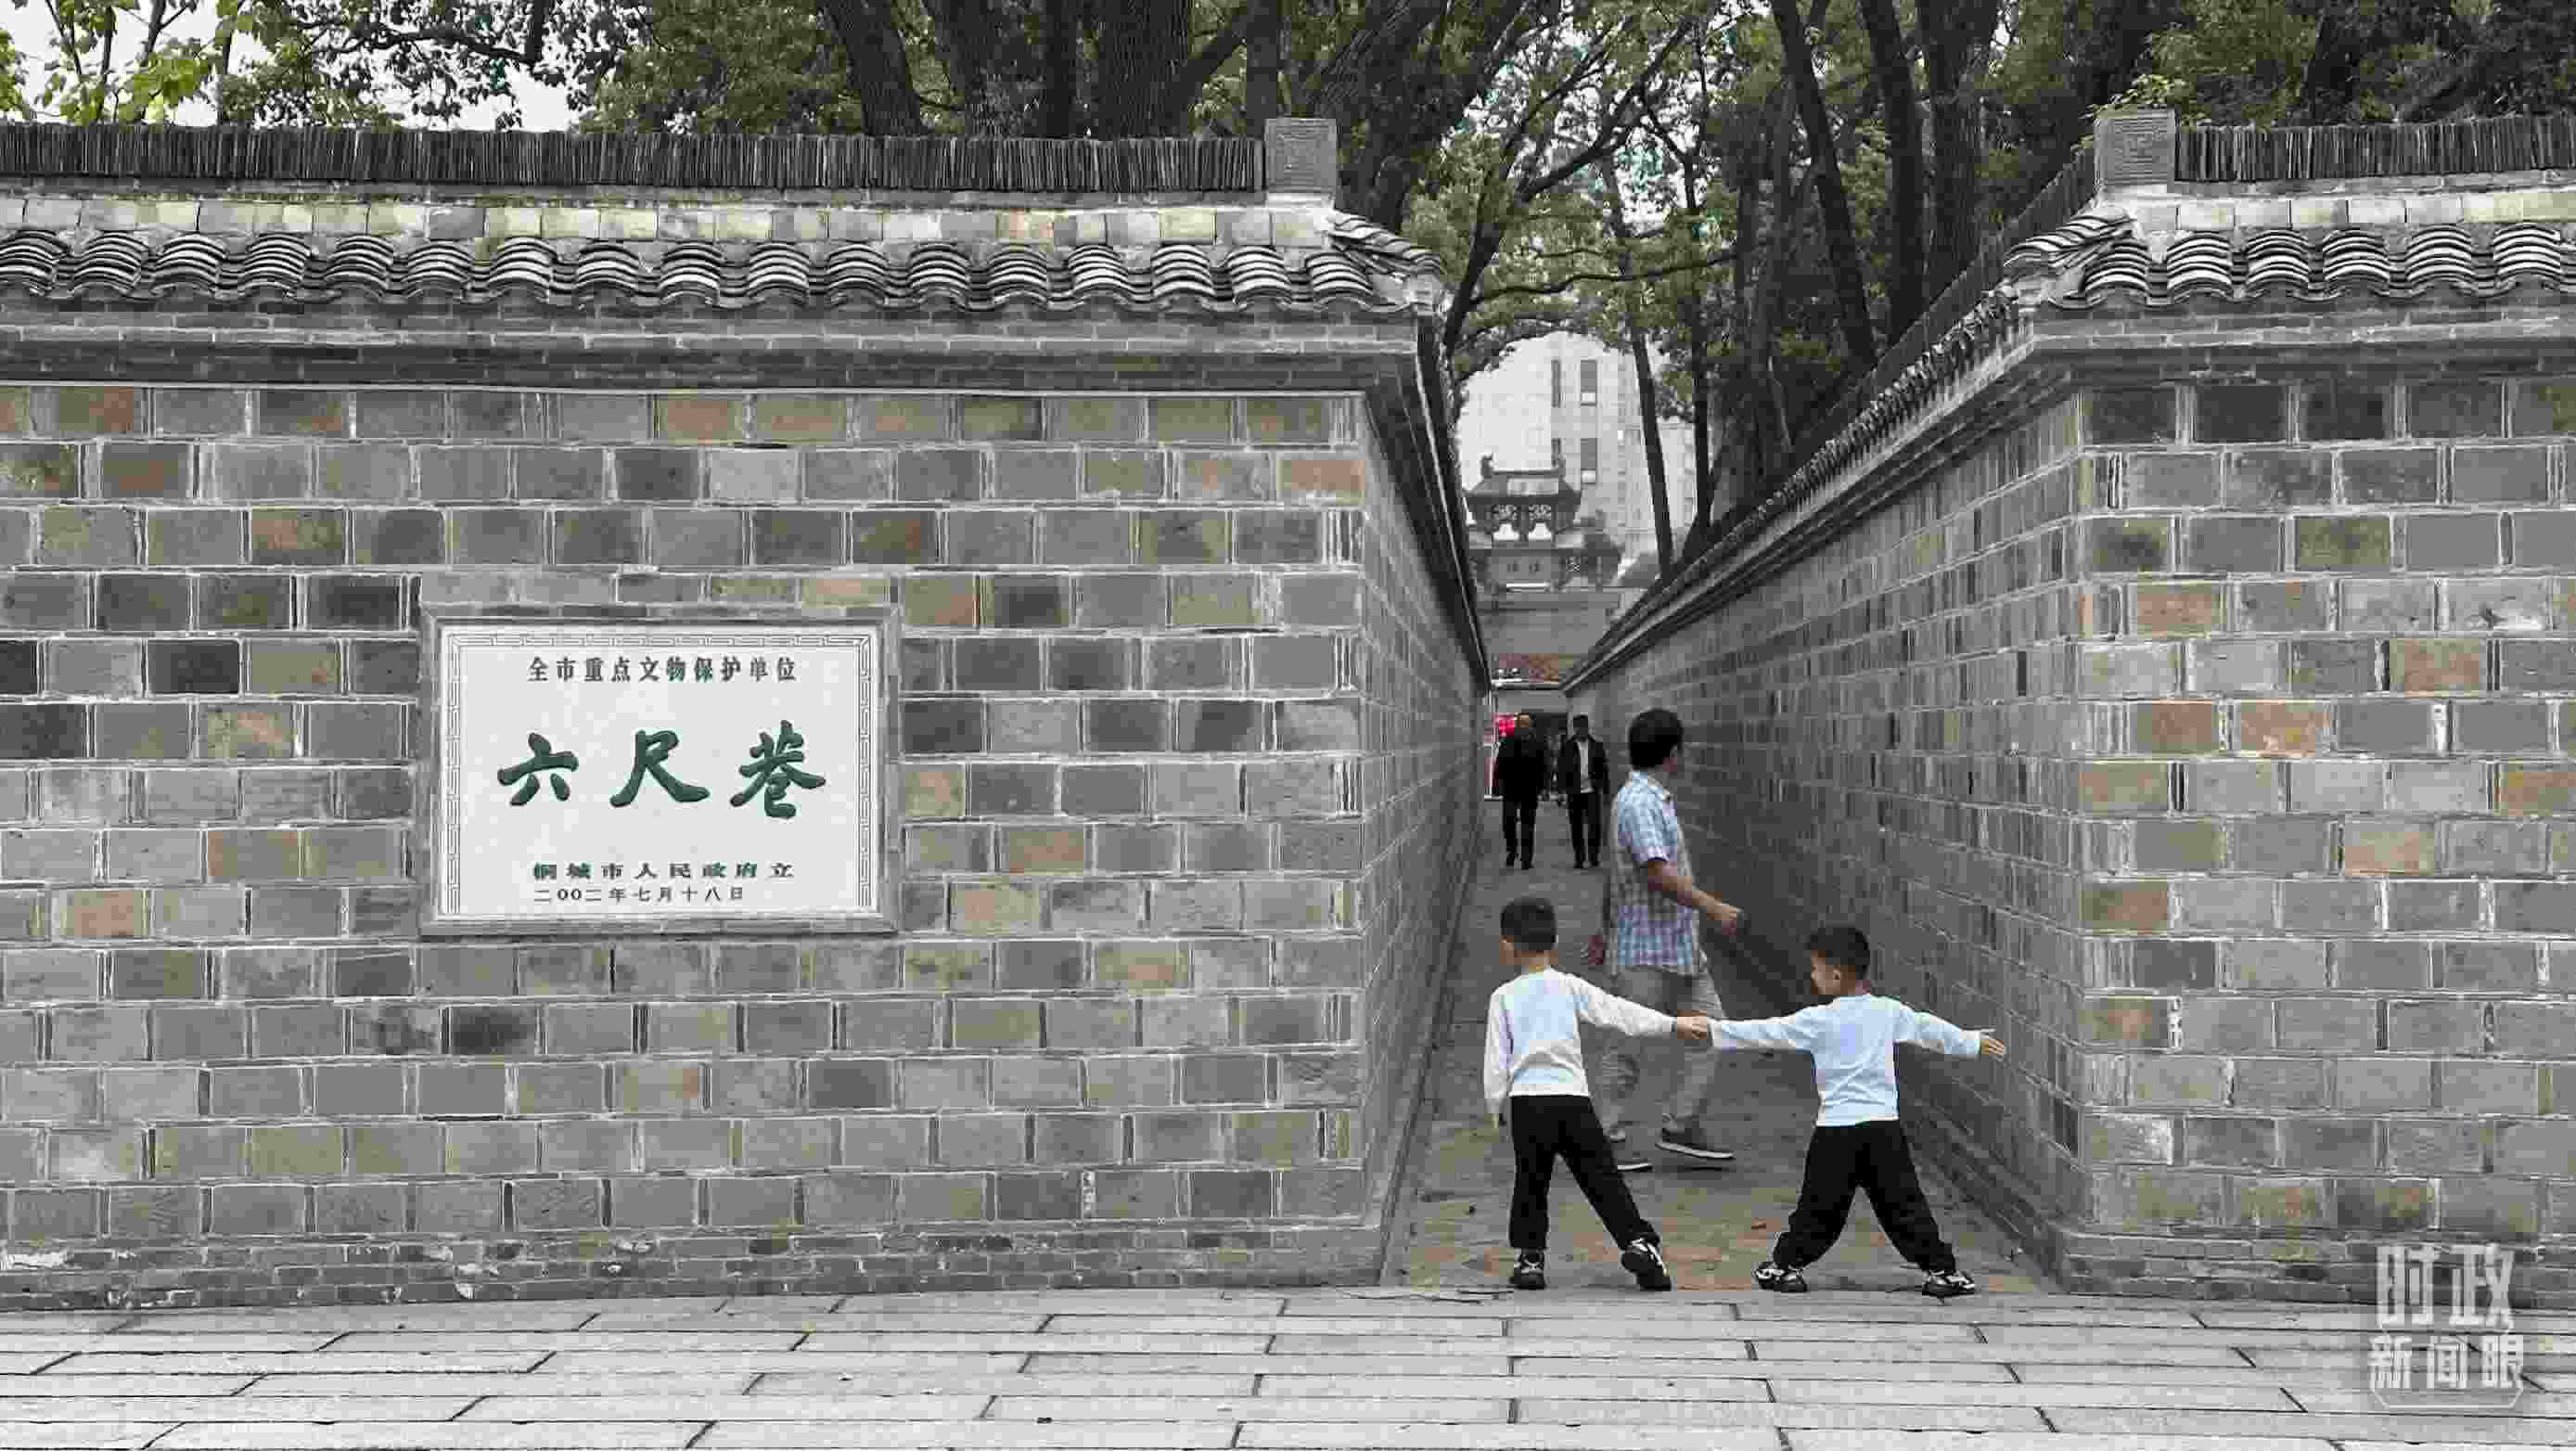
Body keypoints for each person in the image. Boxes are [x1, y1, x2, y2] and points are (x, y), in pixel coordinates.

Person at [1695, 925, 2005, 1300]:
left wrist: (1713, 1031)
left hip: (1836, 1133)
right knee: (1904, 1206)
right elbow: (1928, 1029)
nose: (1812, 975)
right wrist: (1971, 1042)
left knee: (1819, 1208)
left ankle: (1785, 1268)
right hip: (1883, 1132)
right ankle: (1943, 1271)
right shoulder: (1887, 1011)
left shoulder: (1817, 1019)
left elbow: (1766, 1031)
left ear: (1836, 974)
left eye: (1815, 969)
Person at [1483, 894, 1708, 1293]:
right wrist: (1673, 1024)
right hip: (1573, 1101)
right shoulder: (1570, 987)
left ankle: (1530, 1260)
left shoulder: (1503, 997)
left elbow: (1496, 1061)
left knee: (1531, 1182)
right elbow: (1620, 1012)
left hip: (1529, 1105)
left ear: (1507, 945)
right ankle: (1637, 1243)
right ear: (1555, 942)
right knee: (1602, 1179)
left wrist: (1496, 1105)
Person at [1582, 707, 1742, 1170]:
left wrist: (1603, 927)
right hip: (1646, 953)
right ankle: (1605, 1140)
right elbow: (1655, 872)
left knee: (1711, 1033)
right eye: (1682, 750)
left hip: (1678, 950)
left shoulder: (1648, 800)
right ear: (1672, 754)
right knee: (1626, 1048)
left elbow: (1616, 873)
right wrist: (1713, 907)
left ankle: (1681, 1125)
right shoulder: (1640, 804)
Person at [1494, 712, 1547, 870]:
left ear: (1530, 727)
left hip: (1530, 789)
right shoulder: (1508, 741)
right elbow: (1500, 763)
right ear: (1517, 726)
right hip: (1511, 787)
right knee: (1508, 821)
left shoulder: (1537, 743)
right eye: (1521, 724)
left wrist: (1543, 787)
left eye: (1527, 724)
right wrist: (1498, 784)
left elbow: (1544, 766)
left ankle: (1526, 858)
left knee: (1528, 825)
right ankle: (1512, 850)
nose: (1524, 727)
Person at [1557, 714, 1610, 868]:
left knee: (1594, 825)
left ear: (1588, 728)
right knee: (1576, 826)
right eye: (1579, 728)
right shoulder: (1567, 747)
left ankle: (1593, 857)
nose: (1582, 731)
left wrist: (1605, 791)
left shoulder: (1597, 746)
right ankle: (1579, 859)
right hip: (1574, 792)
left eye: (1585, 728)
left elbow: (1603, 770)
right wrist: (1560, 791)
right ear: (1575, 729)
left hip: (1592, 791)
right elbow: (1561, 769)